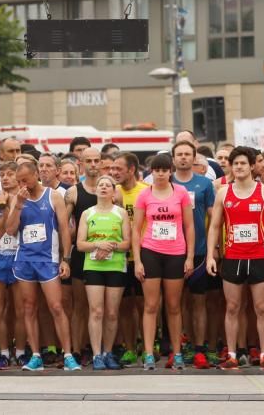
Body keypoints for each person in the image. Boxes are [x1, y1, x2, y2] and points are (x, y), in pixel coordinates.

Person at [207, 147, 264, 370]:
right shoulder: (223, 193)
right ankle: (232, 353)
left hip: (259, 256)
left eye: (243, 163)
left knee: (261, 307)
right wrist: (210, 255)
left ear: (252, 166)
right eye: (235, 164)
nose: (239, 167)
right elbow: (215, 226)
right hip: (232, 257)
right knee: (232, 307)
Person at [6, 159, 80, 371]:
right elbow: (10, 230)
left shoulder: (53, 196)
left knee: (56, 306)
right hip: (25, 259)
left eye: (25, 180)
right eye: (19, 181)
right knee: (29, 307)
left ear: (35, 175)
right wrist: (18, 205)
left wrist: (66, 259)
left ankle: (67, 354)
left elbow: (65, 229)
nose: (22, 184)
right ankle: (36, 355)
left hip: (47, 259)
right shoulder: (17, 199)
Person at [132, 152, 193, 371]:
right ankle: (149, 354)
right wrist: (137, 260)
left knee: (174, 306)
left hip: (175, 253)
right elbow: (136, 229)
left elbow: (189, 226)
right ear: (151, 172)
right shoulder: (144, 195)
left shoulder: (182, 193)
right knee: (151, 305)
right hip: (151, 252)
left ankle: (177, 353)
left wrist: (189, 257)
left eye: (164, 170)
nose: (160, 174)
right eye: (156, 170)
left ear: (171, 172)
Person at [77, 174, 129, 370]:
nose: (104, 187)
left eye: (108, 185)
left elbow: (127, 243)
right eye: (101, 184)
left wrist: (110, 246)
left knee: (112, 313)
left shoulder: (121, 213)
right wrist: (97, 244)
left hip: (116, 265)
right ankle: (97, 354)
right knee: (96, 311)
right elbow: (80, 244)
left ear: (114, 191)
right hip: (93, 266)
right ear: (95, 190)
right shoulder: (87, 213)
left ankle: (108, 352)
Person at [171, 140, 216, 370]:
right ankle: (178, 347)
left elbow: (214, 218)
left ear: (194, 157)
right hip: (170, 252)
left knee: (199, 302)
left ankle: (199, 349)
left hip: (198, 251)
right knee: (175, 304)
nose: (183, 158)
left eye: (188, 154)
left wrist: (212, 247)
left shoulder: (205, 185)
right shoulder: (165, 182)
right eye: (179, 154)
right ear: (173, 158)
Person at [0, 161, 25, 368]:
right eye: (2, 174)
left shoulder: (25, 197)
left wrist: (13, 204)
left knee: (20, 309)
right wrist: (4, 206)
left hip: (20, 255)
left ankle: (19, 351)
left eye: (10, 174)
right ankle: (3, 351)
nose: (6, 177)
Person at [64, 148, 101, 360]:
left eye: (97, 160)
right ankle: (77, 350)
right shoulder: (74, 192)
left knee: (101, 308)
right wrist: (65, 256)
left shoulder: (111, 190)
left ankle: (102, 349)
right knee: (79, 306)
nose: (93, 164)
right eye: (89, 161)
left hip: (107, 255)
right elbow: (63, 225)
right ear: (81, 164)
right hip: (82, 254)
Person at [112, 151, 148, 366]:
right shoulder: (112, 192)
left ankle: (147, 346)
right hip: (119, 257)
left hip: (143, 256)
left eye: (119, 169)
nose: (114, 172)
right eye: (112, 169)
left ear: (131, 170)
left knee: (145, 305)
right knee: (125, 306)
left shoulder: (145, 191)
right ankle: (129, 348)